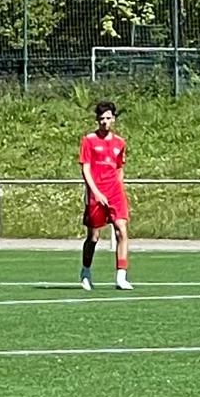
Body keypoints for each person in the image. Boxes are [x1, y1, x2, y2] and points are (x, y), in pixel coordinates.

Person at [79, 100, 133, 290]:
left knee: (121, 230)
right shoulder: (89, 140)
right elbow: (85, 169)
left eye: (108, 118)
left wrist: (118, 188)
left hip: (115, 192)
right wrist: (95, 192)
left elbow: (119, 168)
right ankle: (86, 271)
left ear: (114, 119)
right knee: (93, 237)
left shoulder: (120, 142)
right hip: (96, 193)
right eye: (101, 118)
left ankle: (121, 276)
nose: (105, 122)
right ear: (97, 119)